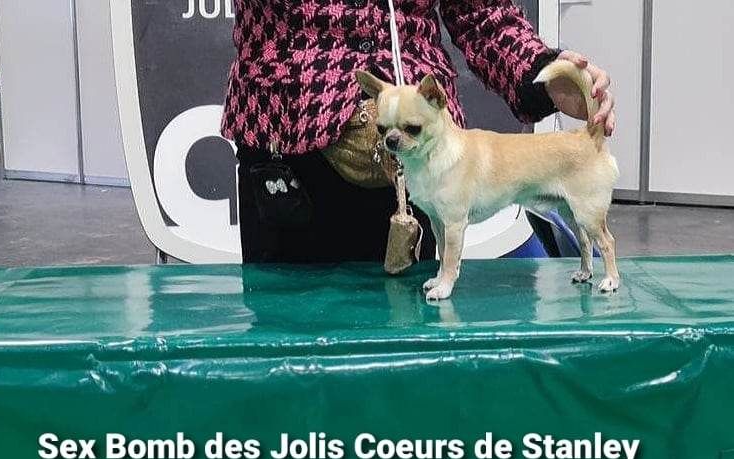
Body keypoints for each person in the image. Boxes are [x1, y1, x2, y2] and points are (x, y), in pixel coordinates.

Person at [222, 1, 615, 265]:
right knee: (285, 338)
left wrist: (539, 73)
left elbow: (482, 12)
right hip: (286, 135)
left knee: (404, 328)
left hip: (419, 152)